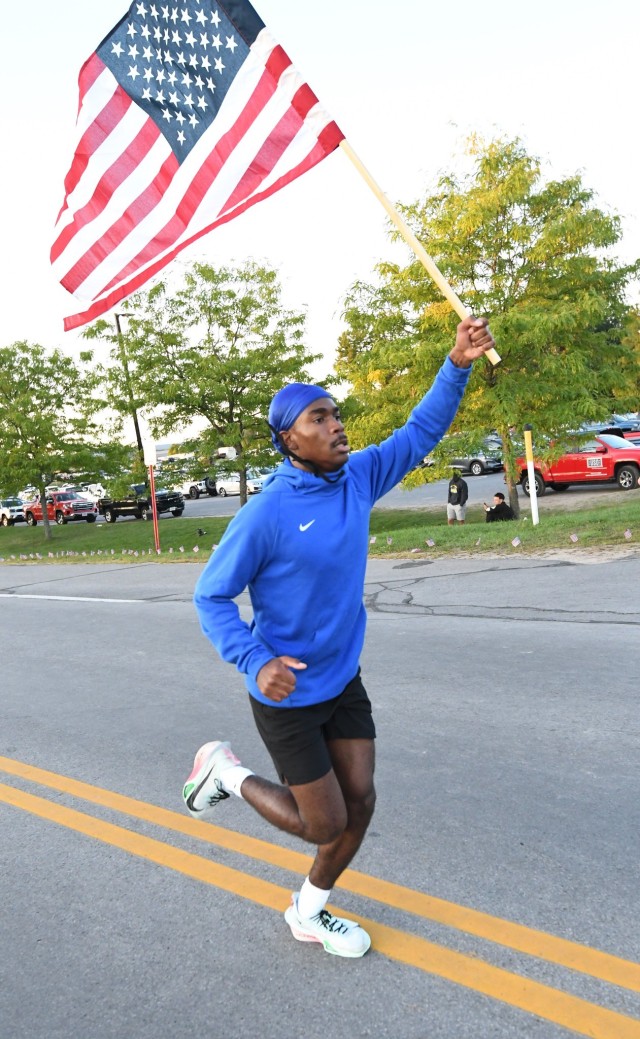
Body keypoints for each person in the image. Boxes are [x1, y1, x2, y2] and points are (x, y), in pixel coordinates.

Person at [184, 317, 496, 959]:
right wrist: (254, 656)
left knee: (361, 803)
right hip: (286, 690)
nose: (336, 426)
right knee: (324, 822)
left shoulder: (358, 478)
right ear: (289, 441)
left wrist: (457, 363)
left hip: (341, 676)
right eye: (318, 419)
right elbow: (210, 595)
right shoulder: (266, 513)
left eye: (335, 414)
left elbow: (420, 432)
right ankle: (226, 772)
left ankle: (308, 910)